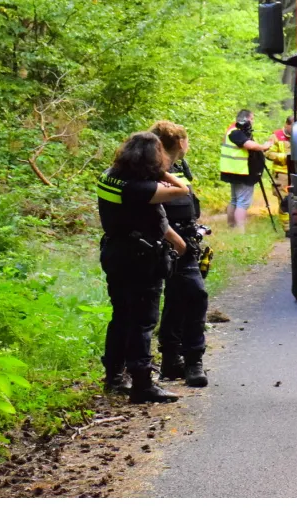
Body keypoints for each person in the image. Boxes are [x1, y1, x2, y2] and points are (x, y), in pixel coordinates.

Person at [97, 132, 190, 403]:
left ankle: (114, 376)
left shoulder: (109, 177)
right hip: (140, 259)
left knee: (121, 317)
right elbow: (182, 189)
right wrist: (162, 170)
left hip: (115, 253)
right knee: (142, 321)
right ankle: (142, 383)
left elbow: (152, 217)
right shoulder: (142, 189)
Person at [150, 121, 210, 388]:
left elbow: (187, 202)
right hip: (164, 242)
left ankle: (179, 361)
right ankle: (186, 358)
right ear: (180, 142)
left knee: (182, 298)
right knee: (193, 295)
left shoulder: (179, 167)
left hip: (185, 240)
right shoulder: (152, 169)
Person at [220, 109, 271, 229]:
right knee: (242, 202)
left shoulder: (232, 130)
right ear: (246, 119)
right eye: (252, 119)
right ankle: (239, 230)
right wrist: (265, 146)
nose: (252, 122)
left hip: (234, 170)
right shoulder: (236, 132)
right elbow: (249, 145)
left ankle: (231, 228)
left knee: (235, 200)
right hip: (242, 172)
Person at [264, 115, 293, 217]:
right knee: (284, 202)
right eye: (292, 126)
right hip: (281, 175)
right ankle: (287, 228)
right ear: (286, 125)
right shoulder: (276, 136)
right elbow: (268, 153)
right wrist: (285, 157)